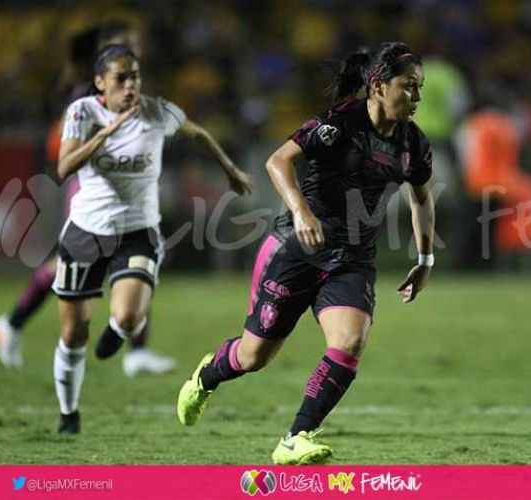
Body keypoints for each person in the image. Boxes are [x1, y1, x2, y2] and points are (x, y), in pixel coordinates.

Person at [177, 42, 435, 464]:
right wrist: (301, 212)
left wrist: (425, 260)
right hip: (296, 250)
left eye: (419, 88)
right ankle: (206, 377)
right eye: (408, 87)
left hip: (351, 259)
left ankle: (296, 437)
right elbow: (279, 161)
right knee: (253, 356)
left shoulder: (414, 145)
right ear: (377, 85)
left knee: (350, 341)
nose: (417, 98)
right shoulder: (339, 124)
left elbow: (422, 199)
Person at [52, 44, 253, 434]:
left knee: (129, 315)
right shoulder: (82, 113)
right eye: (120, 78)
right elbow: (64, 167)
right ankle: (68, 412)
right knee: (73, 333)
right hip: (84, 232)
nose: (130, 86)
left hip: (137, 231)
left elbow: (198, 134)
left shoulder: (156, 110)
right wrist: (104, 135)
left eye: (135, 77)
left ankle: (118, 332)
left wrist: (229, 169)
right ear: (100, 83)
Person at [0, 21, 176, 376]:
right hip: (93, 189)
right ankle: (12, 322)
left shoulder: (123, 84)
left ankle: (137, 349)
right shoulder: (87, 94)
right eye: (130, 41)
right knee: (84, 263)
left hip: (121, 188)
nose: (136, 46)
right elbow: (64, 144)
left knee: (136, 257)